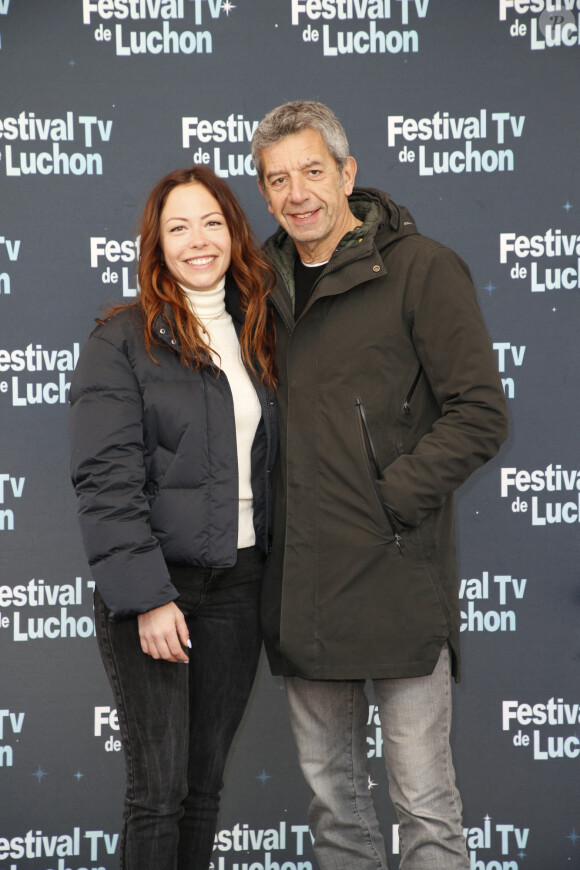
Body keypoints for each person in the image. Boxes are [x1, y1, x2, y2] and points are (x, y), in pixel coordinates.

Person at [250, 101, 509, 870]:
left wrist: (391, 499)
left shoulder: (422, 269)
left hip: (398, 578)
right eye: (277, 180)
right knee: (336, 811)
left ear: (348, 173)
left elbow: (480, 412)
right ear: (264, 196)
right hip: (304, 587)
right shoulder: (261, 286)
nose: (297, 193)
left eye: (312, 171)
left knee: (424, 809)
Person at [69, 166, 277, 870]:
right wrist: (150, 597)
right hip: (160, 593)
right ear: (156, 245)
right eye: (178, 227)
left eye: (212, 222)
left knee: (203, 790)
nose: (198, 240)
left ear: (234, 233)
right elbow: (106, 480)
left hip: (240, 588)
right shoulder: (123, 340)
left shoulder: (261, 332)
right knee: (157, 794)